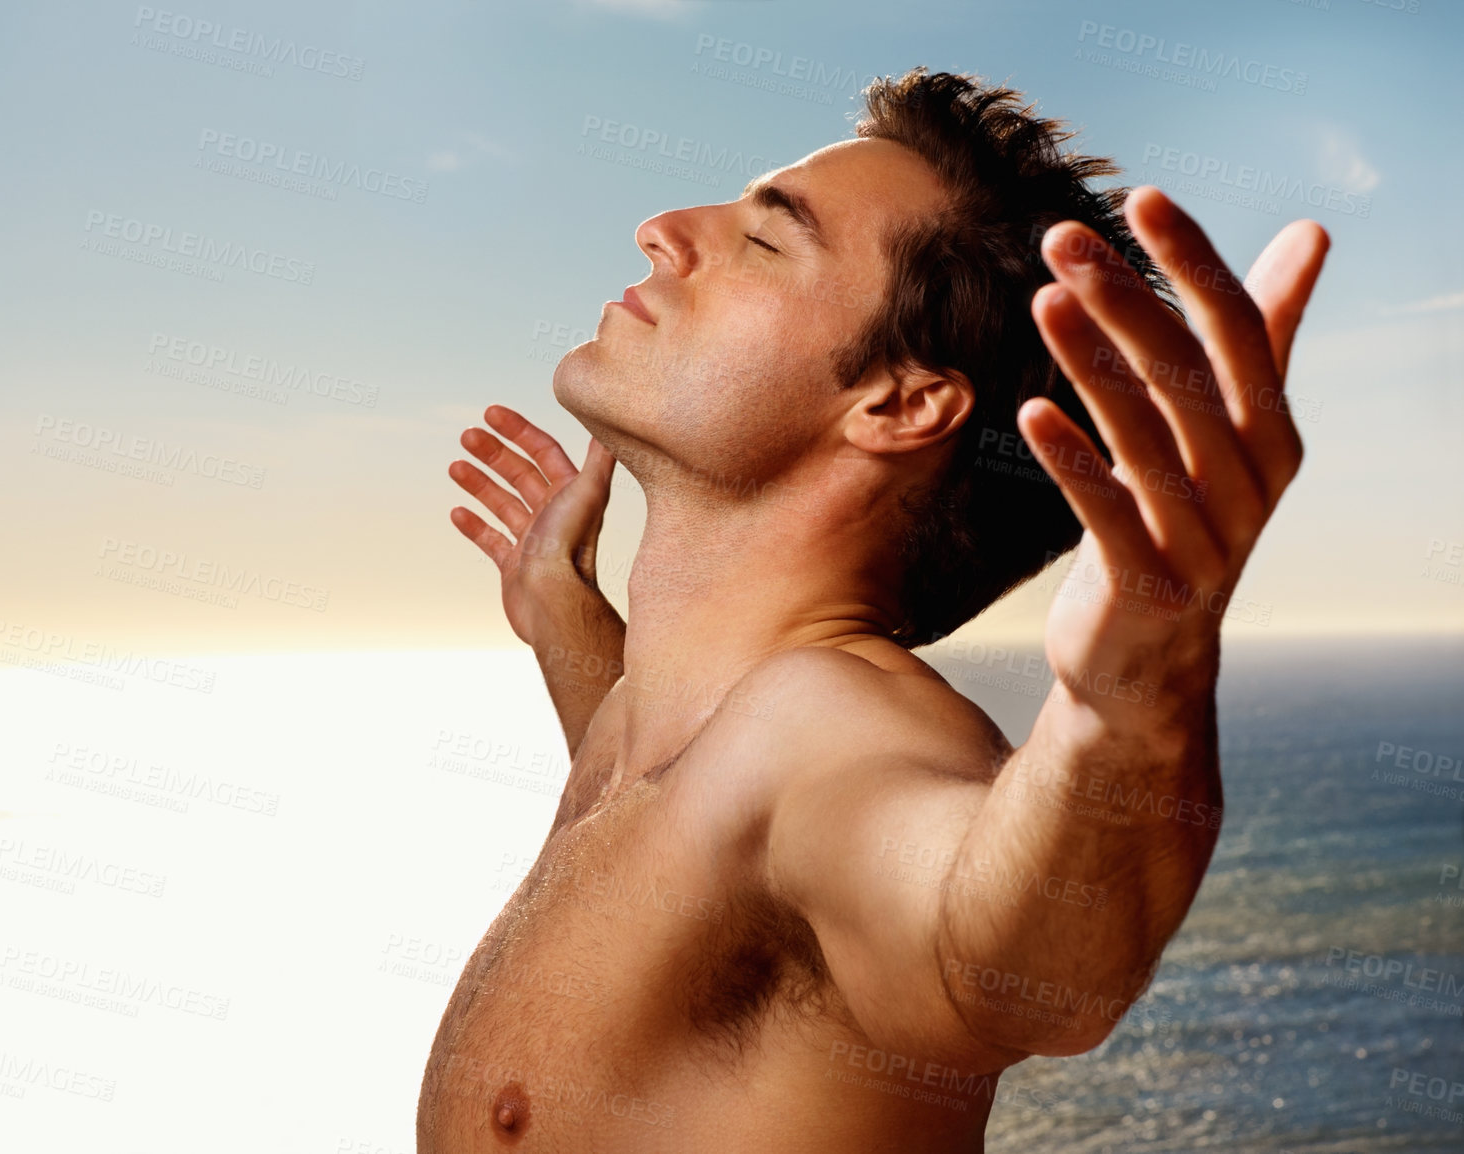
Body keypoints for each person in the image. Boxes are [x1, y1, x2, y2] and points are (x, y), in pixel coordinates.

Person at [423, 68, 1328, 1150]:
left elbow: (1016, 969)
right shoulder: (655, 725)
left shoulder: (835, 736)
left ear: (900, 401)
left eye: (767, 241)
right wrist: (561, 607)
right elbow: (671, 830)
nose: (661, 230)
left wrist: (1132, 692)